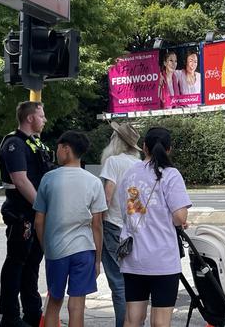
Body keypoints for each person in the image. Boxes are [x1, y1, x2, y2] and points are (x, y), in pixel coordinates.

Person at [116, 127, 191, 327]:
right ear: (169, 150)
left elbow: (126, 210)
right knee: (160, 322)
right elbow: (179, 216)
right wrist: (181, 220)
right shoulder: (171, 174)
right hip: (162, 259)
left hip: (134, 257)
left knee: (132, 319)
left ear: (144, 147)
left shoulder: (130, 173)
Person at [33, 131, 107, 327]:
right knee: (77, 305)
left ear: (66, 148)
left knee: (54, 301)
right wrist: (97, 259)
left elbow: (39, 221)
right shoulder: (93, 181)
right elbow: (97, 224)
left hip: (56, 250)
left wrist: (46, 247)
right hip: (84, 250)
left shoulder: (49, 179)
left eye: (58, 148)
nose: (56, 152)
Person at [0, 101, 54, 327]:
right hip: (22, 213)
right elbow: (20, 180)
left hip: (35, 214)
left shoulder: (34, 143)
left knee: (32, 265)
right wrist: (42, 206)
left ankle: (32, 312)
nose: (45, 120)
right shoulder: (14, 144)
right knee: (16, 263)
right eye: (42, 115)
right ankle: (10, 316)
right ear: (30, 118)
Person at [98, 122, 142, 327]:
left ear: (117, 141)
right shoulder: (139, 163)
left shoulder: (113, 162)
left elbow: (106, 196)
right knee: (134, 282)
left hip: (113, 226)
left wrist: (98, 219)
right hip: (134, 229)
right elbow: (137, 202)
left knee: (118, 283)